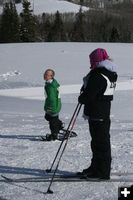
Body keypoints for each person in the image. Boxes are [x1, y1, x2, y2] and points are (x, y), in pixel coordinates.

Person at [78, 48, 118, 180]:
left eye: (91, 60)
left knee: (100, 144)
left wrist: (82, 97)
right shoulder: (109, 73)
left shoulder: (98, 75)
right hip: (102, 113)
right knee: (98, 143)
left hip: (97, 113)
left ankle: (102, 172)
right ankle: (95, 167)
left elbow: (88, 95)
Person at [43, 69, 64, 141]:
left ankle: (54, 135)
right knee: (49, 117)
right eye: (45, 74)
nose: (44, 75)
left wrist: (49, 108)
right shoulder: (50, 83)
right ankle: (59, 125)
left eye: (46, 74)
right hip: (55, 105)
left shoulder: (50, 86)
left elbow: (51, 98)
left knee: (52, 121)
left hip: (53, 106)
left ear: (51, 76)